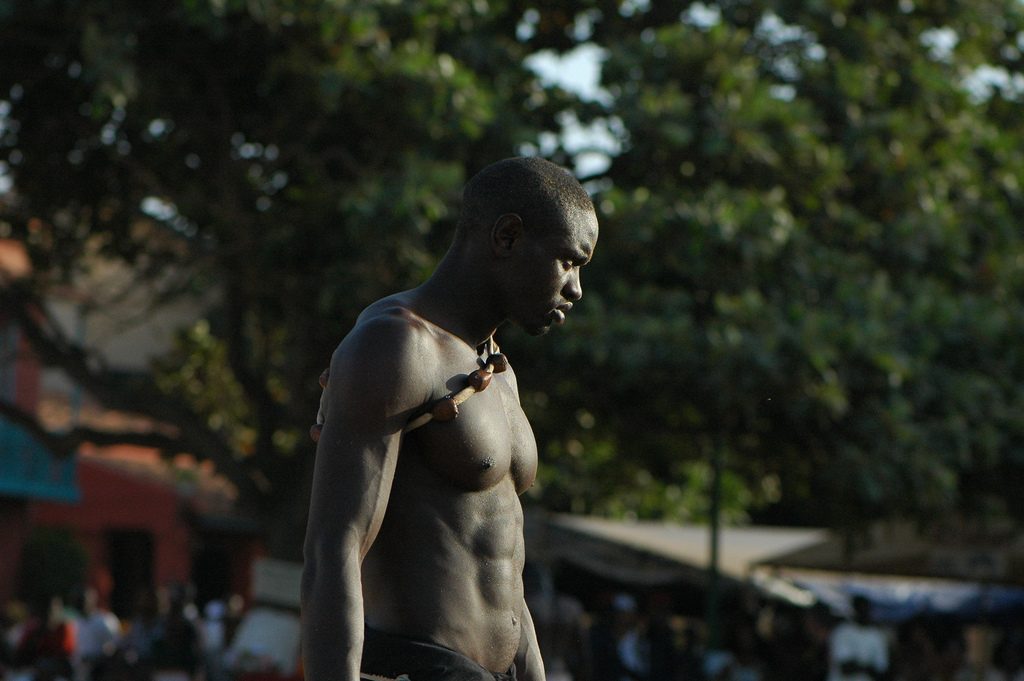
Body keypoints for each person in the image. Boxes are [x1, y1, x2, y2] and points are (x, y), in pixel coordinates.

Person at [301, 156, 599, 681]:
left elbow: (505, 570)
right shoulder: (395, 345)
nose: (575, 289)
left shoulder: (497, 372)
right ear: (507, 236)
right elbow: (333, 548)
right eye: (567, 262)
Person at [827, 595, 889, 681]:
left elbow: (881, 671)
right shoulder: (842, 632)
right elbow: (845, 668)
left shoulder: (877, 635)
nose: (864, 613)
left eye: (866, 609)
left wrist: (860, 666)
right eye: (861, 609)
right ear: (854, 610)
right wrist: (868, 668)